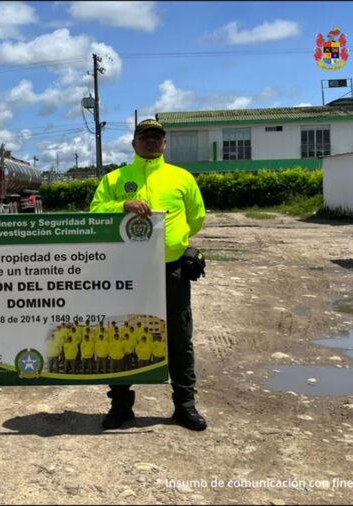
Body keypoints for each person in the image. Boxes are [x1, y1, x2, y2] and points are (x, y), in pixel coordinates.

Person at [90, 118, 207, 431]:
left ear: (165, 143)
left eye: (157, 137)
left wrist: (178, 245)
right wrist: (122, 205)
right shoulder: (115, 178)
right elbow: (94, 213)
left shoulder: (181, 178)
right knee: (121, 334)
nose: (152, 141)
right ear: (134, 143)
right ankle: (120, 408)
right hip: (125, 270)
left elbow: (196, 219)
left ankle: (185, 406)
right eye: (145, 137)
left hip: (172, 270)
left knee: (179, 338)